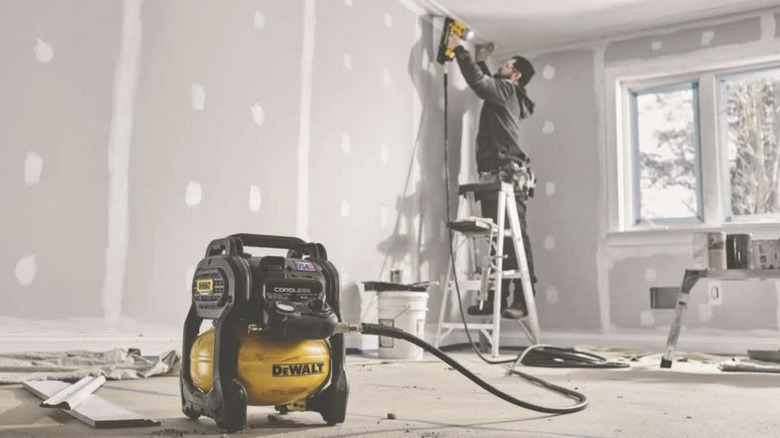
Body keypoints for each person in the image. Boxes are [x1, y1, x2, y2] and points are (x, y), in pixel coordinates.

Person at [448, 35, 537, 320]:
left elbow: (481, 84)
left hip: (506, 176)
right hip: (495, 177)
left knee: (513, 240)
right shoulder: (508, 94)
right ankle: (496, 302)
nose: (502, 66)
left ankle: (523, 301)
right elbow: (488, 84)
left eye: (506, 65)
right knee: (497, 241)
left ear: (516, 74)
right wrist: (483, 60)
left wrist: (459, 48)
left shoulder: (508, 91)